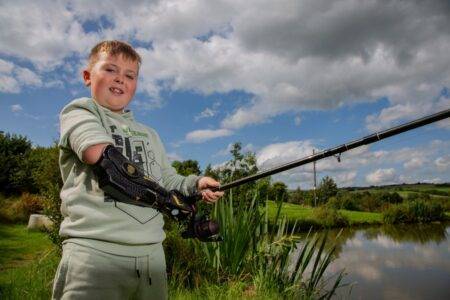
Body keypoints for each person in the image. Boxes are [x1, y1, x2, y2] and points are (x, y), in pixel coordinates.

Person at [52, 40, 224, 300]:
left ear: (136, 84)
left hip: (151, 258)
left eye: (129, 75)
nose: (120, 79)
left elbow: (168, 179)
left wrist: (196, 184)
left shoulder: (150, 134)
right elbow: (102, 159)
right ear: (88, 76)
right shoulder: (80, 111)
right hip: (95, 253)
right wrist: (167, 201)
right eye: (110, 70)